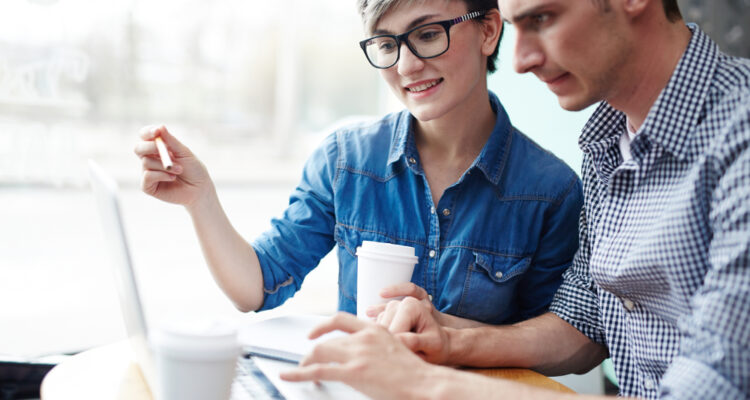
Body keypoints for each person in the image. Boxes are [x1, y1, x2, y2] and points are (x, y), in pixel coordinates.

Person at [280, 0, 750, 398]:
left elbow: (716, 381)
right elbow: (582, 321)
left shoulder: (740, 130)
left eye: (542, 18)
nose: (519, 60)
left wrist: (428, 383)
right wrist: (446, 340)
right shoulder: (608, 143)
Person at [133, 0, 582, 326]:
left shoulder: (551, 191)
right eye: (387, 44)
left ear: (488, 30)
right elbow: (256, 287)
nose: (406, 66)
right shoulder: (345, 161)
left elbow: (550, 343)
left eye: (427, 35)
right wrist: (201, 199)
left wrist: (447, 334)